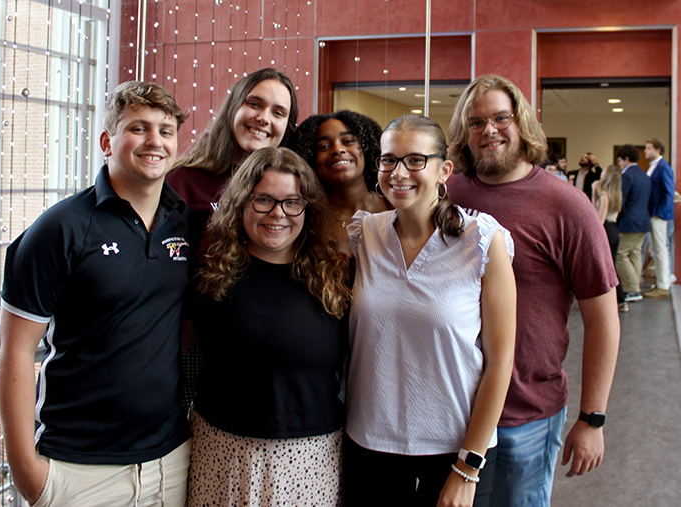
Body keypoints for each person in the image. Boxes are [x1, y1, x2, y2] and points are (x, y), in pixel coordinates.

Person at [0, 81, 192, 506]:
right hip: (78, 468)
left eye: (166, 130)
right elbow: (13, 350)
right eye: (138, 128)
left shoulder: (184, 224)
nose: (155, 141)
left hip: (170, 461)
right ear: (107, 141)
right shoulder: (61, 228)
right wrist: (26, 469)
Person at [446, 74, 620, 507]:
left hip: (524, 418)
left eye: (500, 118)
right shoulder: (446, 195)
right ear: (463, 134)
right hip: (450, 413)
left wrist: (592, 418)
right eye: (476, 122)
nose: (489, 130)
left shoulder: (567, 206)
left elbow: (602, 318)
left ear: (521, 123)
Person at [343, 114, 516, 507]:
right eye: (388, 160)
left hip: (453, 451)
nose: (398, 172)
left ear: (444, 170)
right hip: (370, 446)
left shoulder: (483, 241)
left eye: (415, 160)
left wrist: (468, 467)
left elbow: (500, 362)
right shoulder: (364, 233)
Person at [185, 147, 351, 506]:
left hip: (313, 457)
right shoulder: (209, 274)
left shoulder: (334, 277)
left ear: (307, 209)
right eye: (263, 200)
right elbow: (179, 360)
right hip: (222, 451)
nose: (278, 214)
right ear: (242, 202)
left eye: (292, 202)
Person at [166, 67, 298, 252]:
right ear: (232, 108)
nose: (263, 118)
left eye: (278, 113)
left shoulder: (292, 187)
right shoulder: (182, 180)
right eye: (254, 104)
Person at [293, 110, 390, 253]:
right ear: (311, 159)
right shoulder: (305, 216)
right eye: (324, 146)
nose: (337, 150)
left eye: (348, 141)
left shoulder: (394, 207)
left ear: (366, 147)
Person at [615, 144, 652, 302]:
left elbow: (621, 201)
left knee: (619, 254)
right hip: (643, 221)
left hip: (629, 222)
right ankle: (634, 287)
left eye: (620, 161)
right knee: (636, 254)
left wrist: (616, 217)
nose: (619, 164)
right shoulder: (644, 175)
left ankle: (632, 288)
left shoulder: (627, 176)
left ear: (626, 159)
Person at [643, 138, 675, 298]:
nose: (645, 151)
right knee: (656, 249)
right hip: (653, 214)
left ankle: (663, 286)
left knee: (660, 249)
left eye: (648, 148)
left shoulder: (663, 167)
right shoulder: (654, 167)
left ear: (658, 150)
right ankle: (661, 283)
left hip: (659, 216)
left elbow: (669, 192)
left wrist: (659, 213)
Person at [593, 165, 627, 312]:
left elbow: (601, 217)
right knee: (611, 266)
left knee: (606, 267)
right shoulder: (616, 194)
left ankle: (617, 298)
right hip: (614, 230)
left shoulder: (604, 194)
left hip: (606, 229)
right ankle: (619, 299)